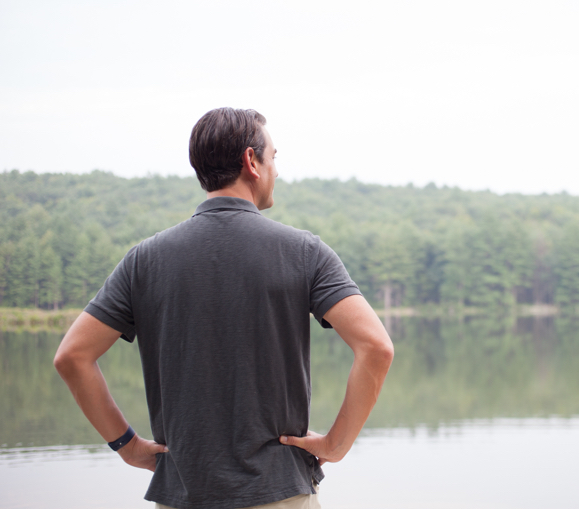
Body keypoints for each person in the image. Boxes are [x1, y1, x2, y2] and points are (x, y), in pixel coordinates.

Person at [54, 107, 394, 509]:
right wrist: (336, 444)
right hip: (280, 491)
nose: (277, 171)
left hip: (182, 493)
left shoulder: (144, 260)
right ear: (252, 161)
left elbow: (73, 357)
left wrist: (127, 446)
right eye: (273, 157)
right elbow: (376, 347)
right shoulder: (305, 253)